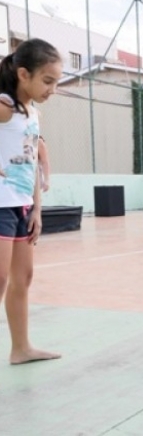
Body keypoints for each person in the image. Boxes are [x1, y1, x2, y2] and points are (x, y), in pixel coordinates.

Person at [0, 38, 62, 364]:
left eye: (56, 82)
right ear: (23, 74)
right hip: (0, 204)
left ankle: (20, 348)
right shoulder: (5, 107)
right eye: (47, 81)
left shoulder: (32, 112)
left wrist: (37, 207)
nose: (53, 88)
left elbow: (32, 161)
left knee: (22, 278)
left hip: (21, 204)